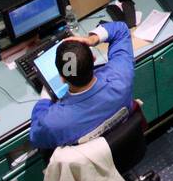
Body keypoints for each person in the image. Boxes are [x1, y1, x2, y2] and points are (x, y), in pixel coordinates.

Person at [28, 21, 138, 150]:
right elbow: (121, 30)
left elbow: (35, 137)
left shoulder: (54, 123)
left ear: (62, 78)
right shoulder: (121, 78)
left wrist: (45, 96)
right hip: (127, 147)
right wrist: (91, 39)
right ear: (93, 59)